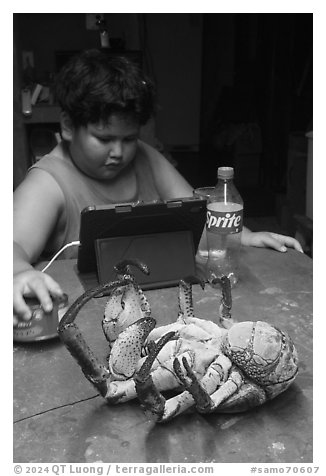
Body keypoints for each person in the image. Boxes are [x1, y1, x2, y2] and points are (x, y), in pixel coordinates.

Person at [13, 49, 303, 323]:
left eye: (128, 138)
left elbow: (196, 218)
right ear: (67, 125)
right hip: (83, 316)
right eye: (103, 139)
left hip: (156, 308)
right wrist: (17, 272)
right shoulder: (48, 182)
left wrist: (242, 238)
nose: (119, 152)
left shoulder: (143, 156)